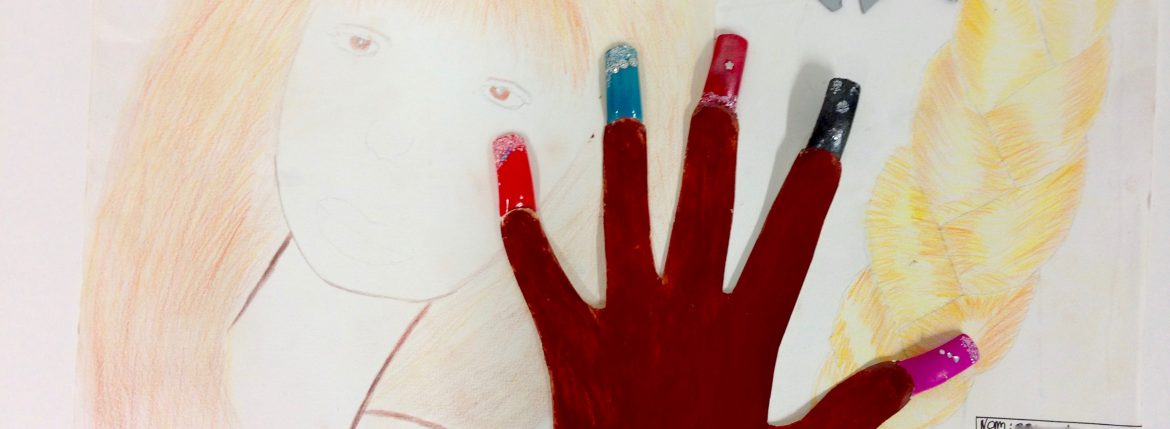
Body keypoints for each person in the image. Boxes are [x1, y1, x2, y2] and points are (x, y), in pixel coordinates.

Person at [81, 1, 707, 427]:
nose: (394, 139)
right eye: (362, 43)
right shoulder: (124, 334)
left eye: (499, 93)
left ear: (585, 147)